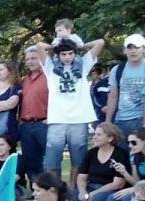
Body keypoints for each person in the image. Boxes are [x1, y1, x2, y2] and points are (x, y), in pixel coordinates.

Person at [37, 37, 107, 178]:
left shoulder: (83, 65)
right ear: (58, 55)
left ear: (75, 53)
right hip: (57, 119)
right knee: (52, 160)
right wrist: (55, 47)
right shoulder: (50, 67)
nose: (67, 57)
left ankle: (73, 190)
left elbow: (100, 42)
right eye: (63, 54)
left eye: (70, 53)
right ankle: (55, 189)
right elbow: (39, 45)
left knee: (78, 160)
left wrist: (79, 45)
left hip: (79, 118)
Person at [76, 122, 130, 201]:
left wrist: (92, 195)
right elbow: (81, 177)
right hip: (90, 187)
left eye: (99, 135)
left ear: (110, 138)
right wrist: (83, 192)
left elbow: (118, 184)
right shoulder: (91, 153)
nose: (94, 137)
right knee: (71, 195)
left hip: (109, 189)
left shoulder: (120, 154)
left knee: (98, 199)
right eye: (95, 134)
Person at [105, 34, 145, 143]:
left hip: (140, 120)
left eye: (137, 47)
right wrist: (108, 122)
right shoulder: (117, 70)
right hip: (121, 121)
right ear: (124, 50)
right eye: (129, 47)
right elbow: (113, 96)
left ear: (143, 49)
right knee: (121, 156)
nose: (133, 51)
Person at [19, 46, 50, 179]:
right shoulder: (24, 80)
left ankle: (50, 189)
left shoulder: (49, 77)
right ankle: (35, 191)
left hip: (43, 123)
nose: (30, 62)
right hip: (26, 125)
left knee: (48, 159)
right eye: (28, 59)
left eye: (34, 58)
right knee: (31, 160)